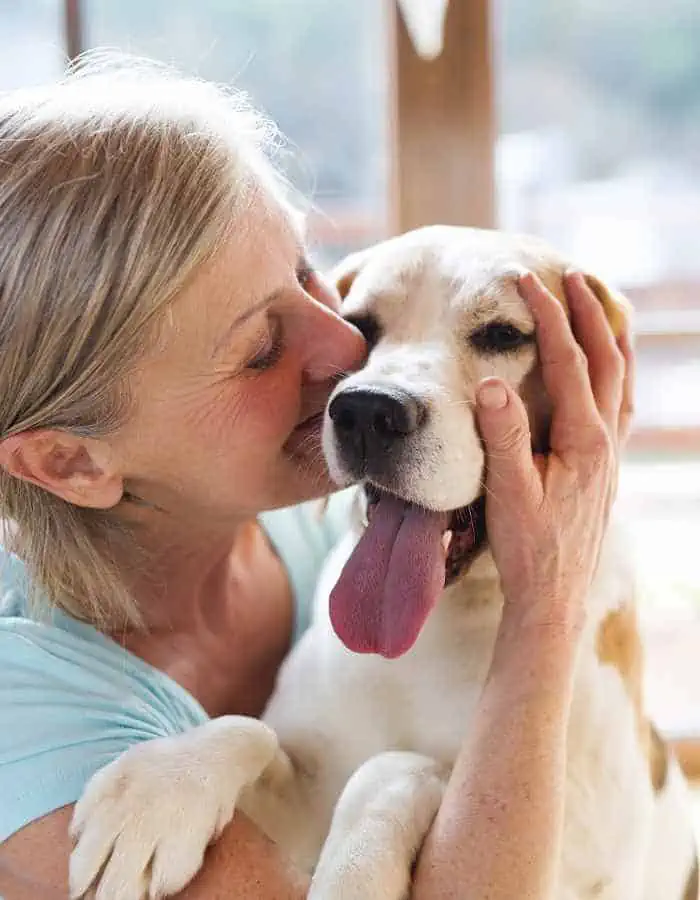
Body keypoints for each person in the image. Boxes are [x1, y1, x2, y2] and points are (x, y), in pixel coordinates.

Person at [0, 55, 633, 900]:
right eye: (260, 347)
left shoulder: (315, 525)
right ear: (72, 461)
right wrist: (543, 612)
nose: (347, 357)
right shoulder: (24, 721)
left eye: (310, 279)